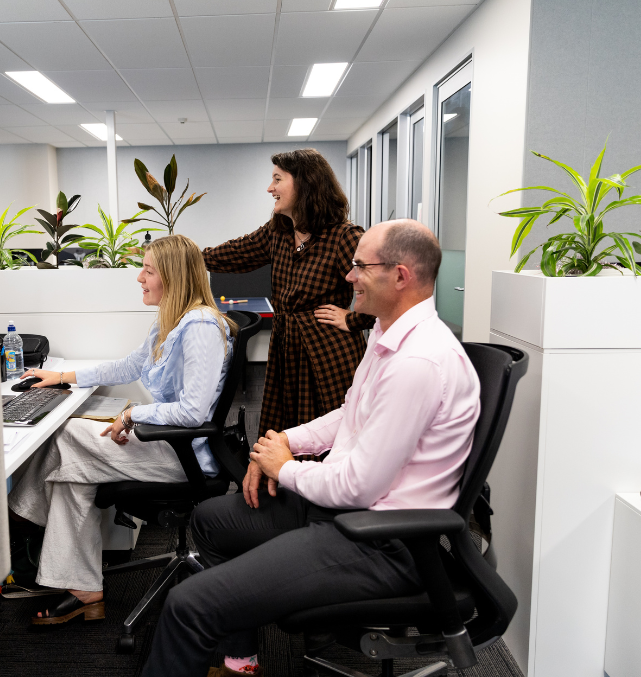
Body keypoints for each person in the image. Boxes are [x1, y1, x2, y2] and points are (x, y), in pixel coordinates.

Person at [140, 219, 481, 677]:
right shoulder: (388, 336)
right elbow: (350, 413)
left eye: (360, 266)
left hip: (377, 541)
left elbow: (358, 486)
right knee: (212, 521)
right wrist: (285, 440)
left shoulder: (418, 362)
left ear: (400, 276)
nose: (348, 275)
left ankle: (220, 630)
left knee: (188, 604)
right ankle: (241, 659)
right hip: (342, 514)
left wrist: (285, 469)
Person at [7, 233, 238, 625]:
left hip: (183, 456)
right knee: (73, 476)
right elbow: (129, 367)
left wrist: (133, 416)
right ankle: (84, 589)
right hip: (162, 441)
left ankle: (20, 521)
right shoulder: (171, 320)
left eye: (148, 270)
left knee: (65, 435)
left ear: (174, 276)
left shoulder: (200, 326)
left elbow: (193, 411)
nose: (139, 278)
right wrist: (61, 374)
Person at [202, 148, 374, 436]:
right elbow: (235, 253)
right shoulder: (278, 232)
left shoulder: (343, 236)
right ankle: (286, 478)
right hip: (287, 347)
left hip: (327, 353)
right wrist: (185, 257)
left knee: (332, 432)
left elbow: (380, 283)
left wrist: (354, 320)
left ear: (305, 183)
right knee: (285, 426)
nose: (270, 188)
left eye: (278, 179)